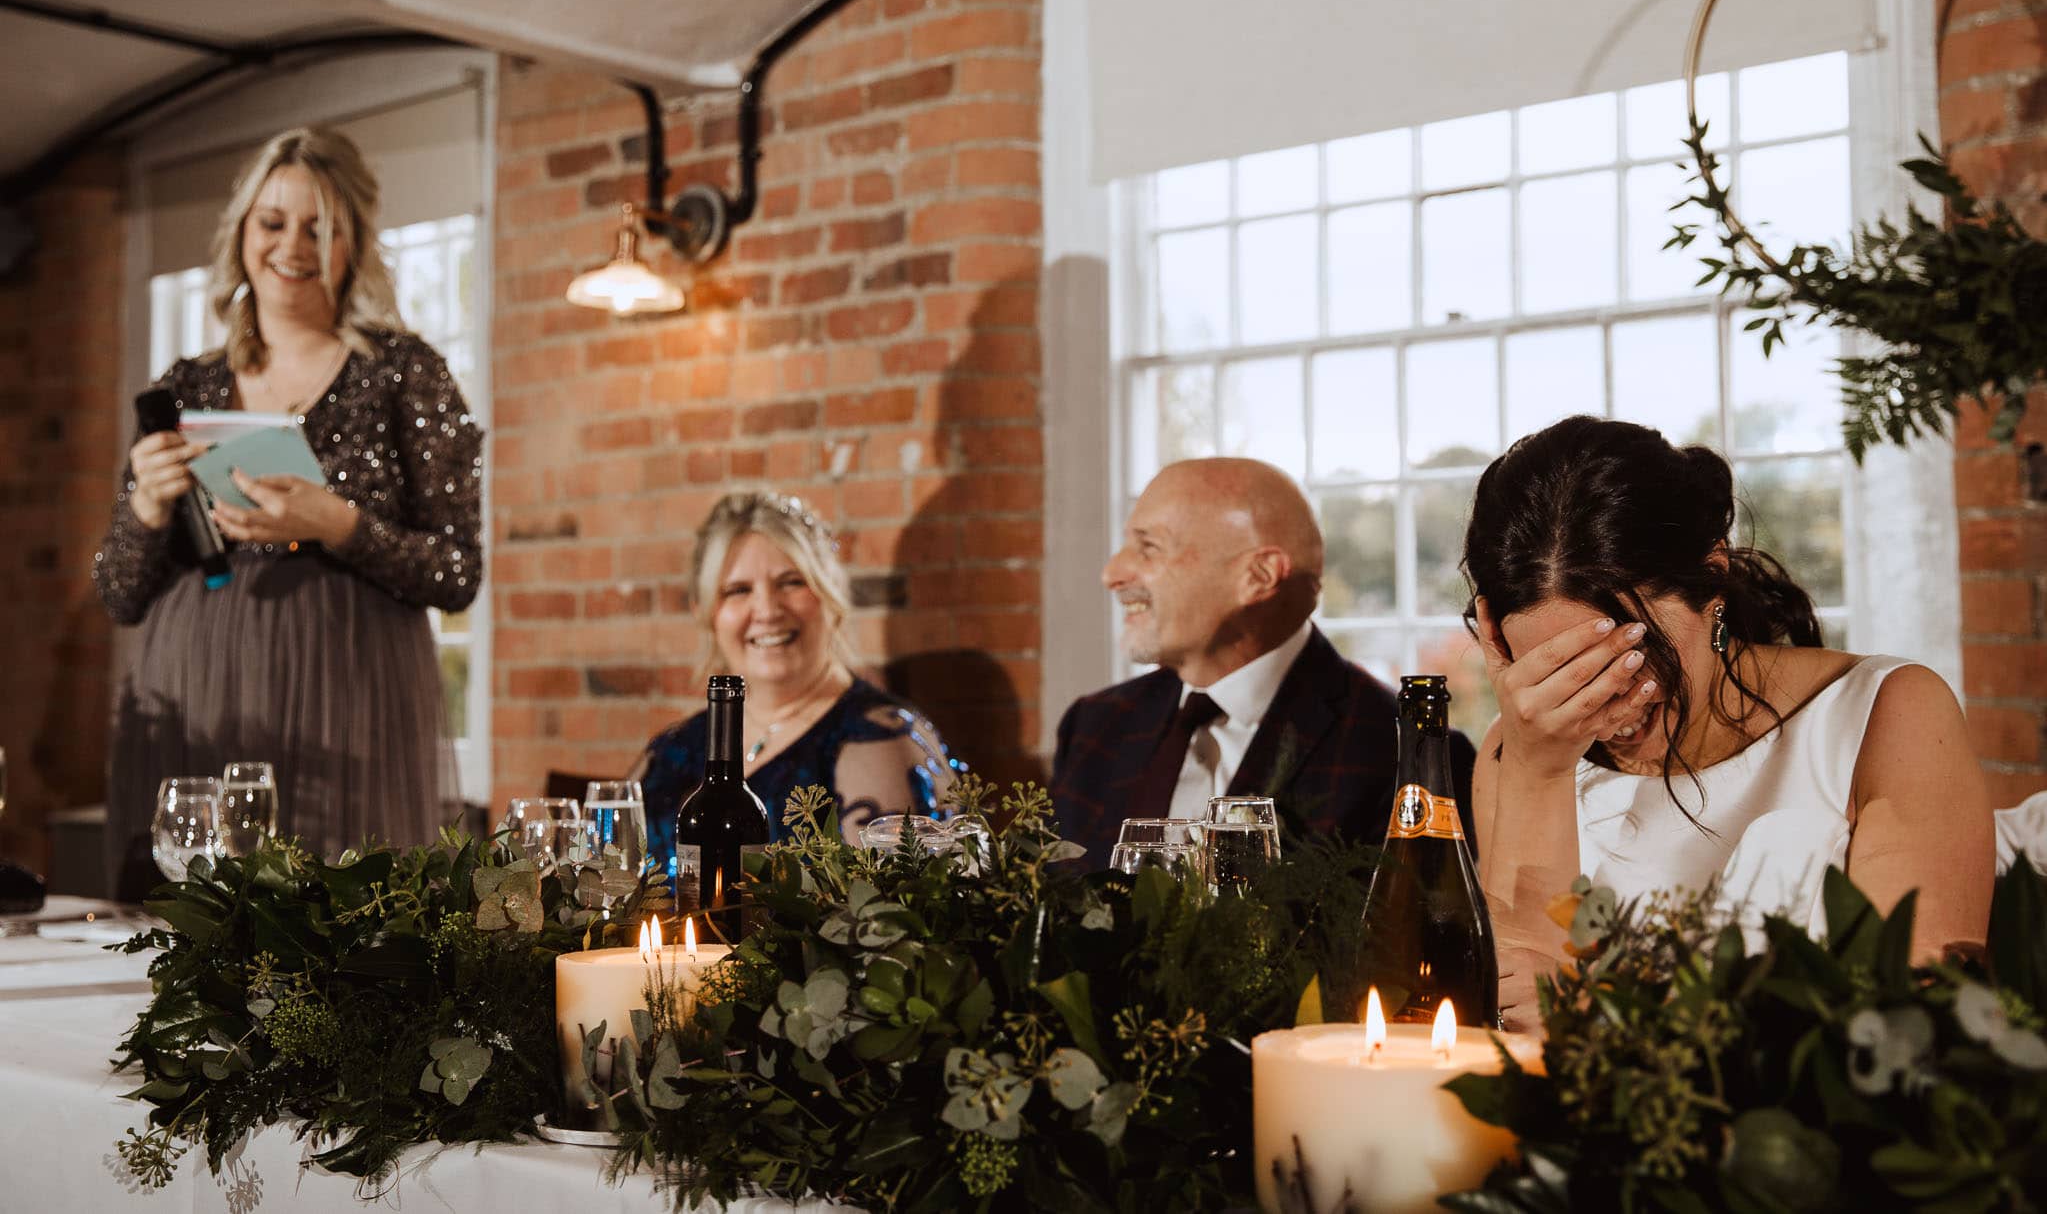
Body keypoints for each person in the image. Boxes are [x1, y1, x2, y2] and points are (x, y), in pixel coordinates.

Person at [1461, 416, 1994, 1027]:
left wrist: (1609, 1017)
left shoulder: (1889, 715)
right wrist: (1538, 767)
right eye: (1558, 676)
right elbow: (1522, 1026)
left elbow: (1914, 1037)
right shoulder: (1521, 748)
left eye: (1626, 663)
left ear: (1712, 576)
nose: (1603, 709)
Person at [94, 126, 480, 896]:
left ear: (353, 243)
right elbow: (119, 590)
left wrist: (336, 524)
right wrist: (145, 502)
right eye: (272, 221)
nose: (292, 245)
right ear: (241, 233)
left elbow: (457, 571)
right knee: (195, 922)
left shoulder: (406, 372)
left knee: (344, 921)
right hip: (199, 688)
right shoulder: (186, 385)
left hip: (351, 691)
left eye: (319, 226)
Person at [1050, 457, 1469, 870]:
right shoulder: (1093, 729)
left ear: (1259, 576)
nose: (1112, 573)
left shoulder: (1407, 755)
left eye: (1149, 547)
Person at [637, 491, 961, 876]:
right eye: (738, 590)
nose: (768, 611)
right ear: (705, 612)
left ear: (830, 593)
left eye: (791, 582)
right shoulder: (675, 750)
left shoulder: (878, 740)